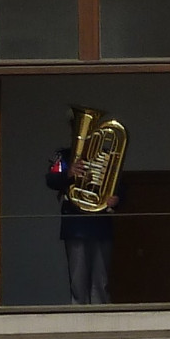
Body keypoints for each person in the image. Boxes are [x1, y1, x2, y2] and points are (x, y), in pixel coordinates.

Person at [44, 116, 116, 305]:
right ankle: (79, 316)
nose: (84, 136)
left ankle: (101, 318)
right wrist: (69, 174)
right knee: (78, 280)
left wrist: (116, 199)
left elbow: (120, 186)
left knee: (101, 280)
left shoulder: (106, 156)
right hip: (75, 223)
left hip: (101, 224)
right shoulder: (65, 156)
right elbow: (51, 180)